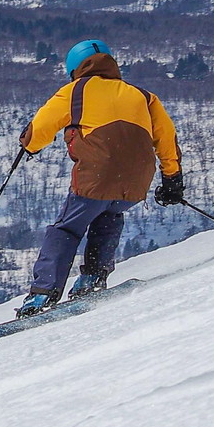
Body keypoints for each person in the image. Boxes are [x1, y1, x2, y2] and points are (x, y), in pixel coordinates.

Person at [15, 39, 183, 316]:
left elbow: (39, 129)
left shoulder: (74, 91)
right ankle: (93, 278)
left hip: (96, 176)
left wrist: (27, 145)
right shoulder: (143, 95)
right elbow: (166, 137)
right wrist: (172, 179)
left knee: (66, 228)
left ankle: (43, 294)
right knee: (110, 215)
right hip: (136, 180)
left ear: (74, 68)